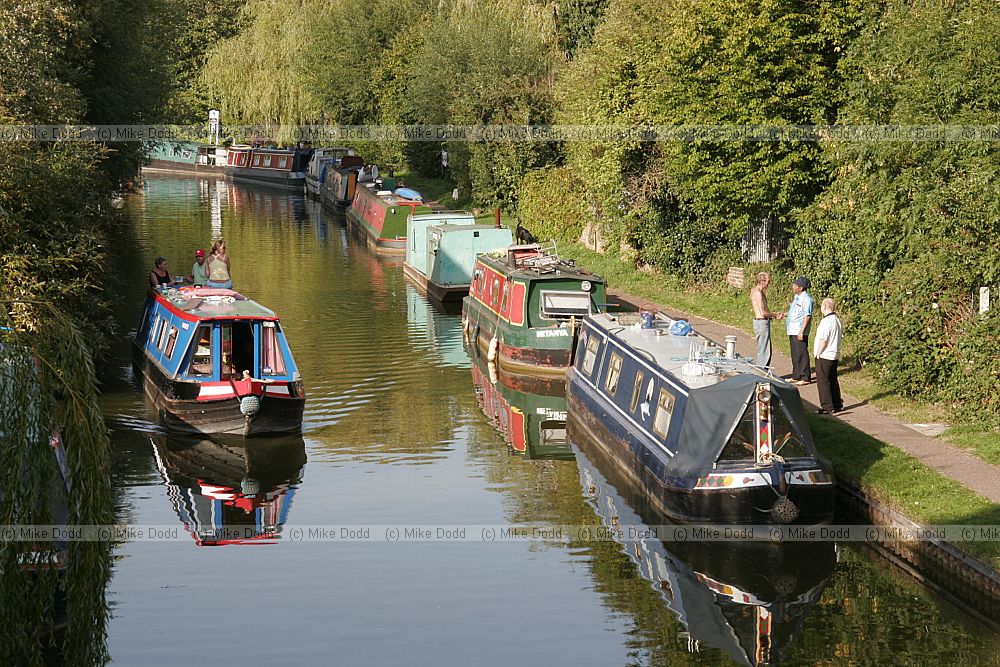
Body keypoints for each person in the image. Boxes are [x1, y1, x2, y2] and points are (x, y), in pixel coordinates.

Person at [814, 297, 844, 414]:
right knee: (832, 379)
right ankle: (837, 403)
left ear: (826, 307)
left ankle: (827, 406)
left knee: (823, 380)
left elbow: (824, 339)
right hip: (834, 354)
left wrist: (818, 353)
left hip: (825, 354)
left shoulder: (826, 321)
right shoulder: (837, 320)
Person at [749, 272, 784, 368]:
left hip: (761, 322)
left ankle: (763, 371)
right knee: (765, 350)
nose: (769, 283)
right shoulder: (758, 293)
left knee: (764, 349)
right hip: (761, 322)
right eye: (768, 281)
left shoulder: (755, 291)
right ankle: (761, 372)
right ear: (762, 281)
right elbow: (763, 312)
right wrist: (775, 315)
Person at [786, 276, 814, 385]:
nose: (793, 287)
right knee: (795, 354)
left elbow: (807, 316)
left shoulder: (807, 299)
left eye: (795, 285)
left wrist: (802, 331)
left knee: (802, 353)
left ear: (801, 288)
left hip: (799, 330)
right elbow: (793, 312)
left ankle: (805, 377)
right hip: (792, 330)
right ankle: (796, 375)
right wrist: (783, 315)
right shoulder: (796, 298)